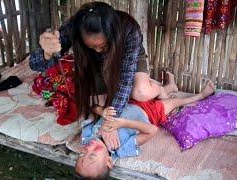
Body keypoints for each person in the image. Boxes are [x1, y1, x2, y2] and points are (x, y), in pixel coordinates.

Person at [30, 2, 177, 151]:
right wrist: (46, 53)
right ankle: (157, 85)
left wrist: (110, 123)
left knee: (140, 93)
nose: (99, 50)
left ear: (112, 33)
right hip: (95, 64)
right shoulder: (74, 27)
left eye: (103, 45)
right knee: (97, 103)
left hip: (129, 59)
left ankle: (159, 88)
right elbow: (35, 65)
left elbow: (125, 81)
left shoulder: (129, 29)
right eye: (92, 46)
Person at [74, 80, 215, 179]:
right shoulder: (122, 149)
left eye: (81, 154)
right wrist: (123, 123)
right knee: (174, 102)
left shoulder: (87, 136)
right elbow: (152, 130)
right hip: (149, 113)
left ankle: (170, 87)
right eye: (92, 156)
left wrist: (102, 112)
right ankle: (201, 95)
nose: (88, 149)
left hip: (126, 100)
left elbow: (91, 108)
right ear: (109, 162)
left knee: (146, 89)